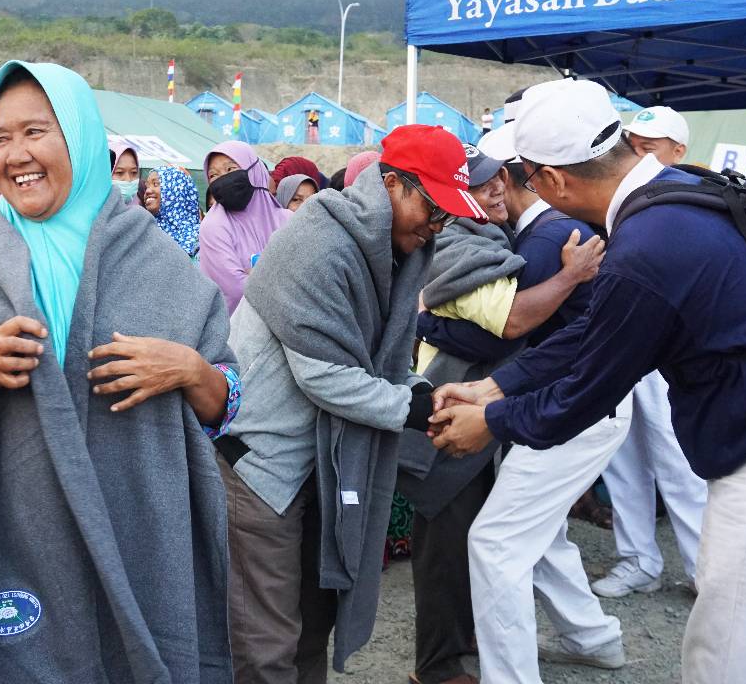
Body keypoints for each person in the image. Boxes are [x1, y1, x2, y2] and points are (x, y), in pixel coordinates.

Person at [430, 78, 746, 684]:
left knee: (729, 671)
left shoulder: (649, 243)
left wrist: (488, 422)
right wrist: (495, 389)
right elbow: (599, 330)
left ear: (556, 179)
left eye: (529, 179)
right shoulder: (679, 190)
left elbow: (586, 392)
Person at [0, 61, 238, 683]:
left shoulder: (159, 261)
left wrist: (190, 368)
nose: (16, 155)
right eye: (1, 137)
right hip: (11, 549)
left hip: (141, 544)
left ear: (80, 137)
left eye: (36, 131)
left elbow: (226, 405)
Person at [217, 124, 489, 683]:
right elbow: (326, 376)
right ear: (393, 185)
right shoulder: (315, 243)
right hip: (263, 464)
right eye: (433, 210)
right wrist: (417, 408)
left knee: (316, 622)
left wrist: (420, 390)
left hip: (327, 459)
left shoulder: (393, 249)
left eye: (447, 216)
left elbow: (380, 361)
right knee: (266, 642)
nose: (438, 227)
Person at [402, 138, 607, 684]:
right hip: (454, 405)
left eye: (500, 178)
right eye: (481, 182)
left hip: (477, 403)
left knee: (492, 535)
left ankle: (584, 640)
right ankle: (441, 668)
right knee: (450, 539)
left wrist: (427, 320)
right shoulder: (463, 245)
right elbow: (508, 329)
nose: (496, 187)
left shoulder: (498, 238)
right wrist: (568, 277)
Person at [592, 105, 707, 599]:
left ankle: (705, 568)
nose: (637, 151)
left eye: (650, 144)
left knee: (676, 457)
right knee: (620, 456)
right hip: (623, 343)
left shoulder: (688, 197)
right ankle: (638, 559)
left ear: (678, 151)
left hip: (668, 351)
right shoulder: (616, 201)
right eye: (632, 142)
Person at [199, 140, 289, 313]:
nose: (223, 179)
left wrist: (254, 275)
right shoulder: (213, 226)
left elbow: (306, 278)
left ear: (253, 170)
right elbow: (236, 290)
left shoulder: (288, 220)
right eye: (213, 175)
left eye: (230, 169)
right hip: (239, 333)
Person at [144, 165, 201, 258]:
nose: (147, 191)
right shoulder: (144, 233)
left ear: (177, 189)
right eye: (147, 186)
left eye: (155, 184)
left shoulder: (200, 239)